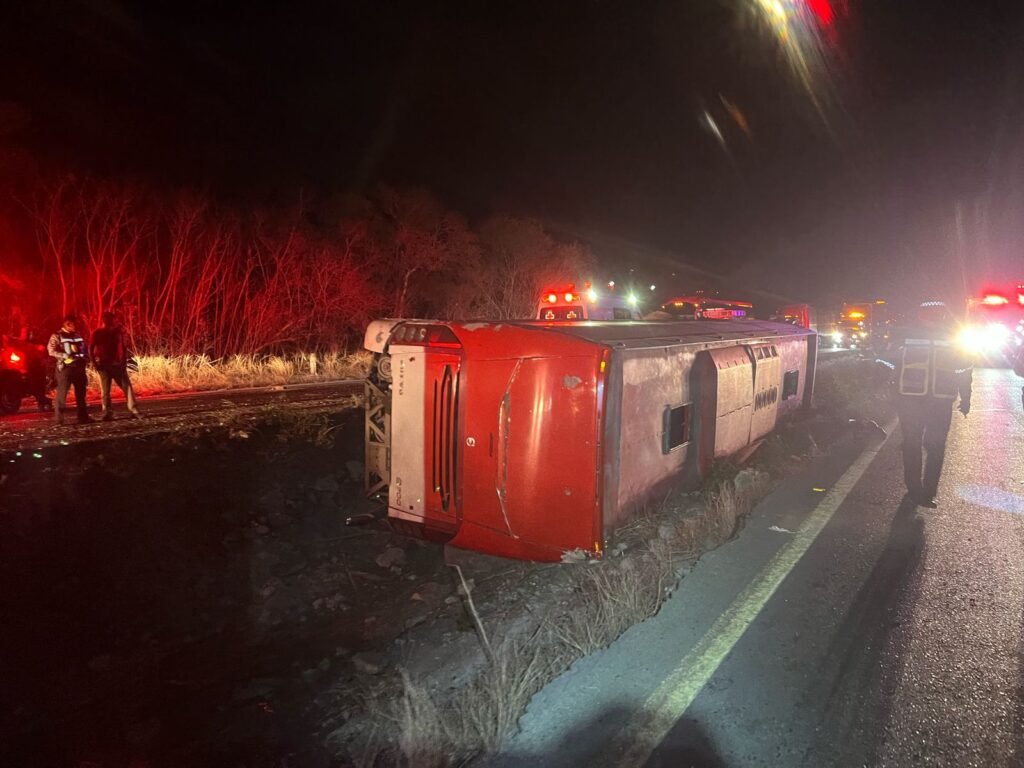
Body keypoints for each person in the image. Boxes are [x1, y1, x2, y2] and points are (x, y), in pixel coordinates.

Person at [881, 301, 972, 508]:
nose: (932, 317)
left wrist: (966, 398)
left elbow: (964, 369)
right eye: (928, 313)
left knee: (935, 446)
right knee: (912, 444)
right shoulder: (905, 335)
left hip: (939, 401)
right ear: (920, 314)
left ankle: (929, 492)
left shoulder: (954, 337)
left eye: (936, 313)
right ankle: (915, 490)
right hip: (910, 400)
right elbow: (886, 362)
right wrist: (889, 389)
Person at [90, 311, 140, 420]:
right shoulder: (98, 332)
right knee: (106, 390)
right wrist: (94, 362)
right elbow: (91, 347)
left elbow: (123, 347)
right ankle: (107, 412)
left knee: (126, 387)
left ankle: (133, 409)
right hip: (104, 364)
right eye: (108, 319)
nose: (110, 321)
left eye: (111, 319)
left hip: (116, 364)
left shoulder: (117, 332)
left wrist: (123, 362)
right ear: (103, 320)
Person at [47, 314, 93, 425]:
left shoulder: (77, 335)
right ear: (67, 324)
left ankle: (83, 417)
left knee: (81, 394)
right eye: (74, 325)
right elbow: (51, 350)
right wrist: (65, 356)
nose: (76, 327)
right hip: (65, 369)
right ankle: (59, 420)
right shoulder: (57, 336)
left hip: (79, 368)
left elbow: (84, 348)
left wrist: (86, 358)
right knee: (62, 394)